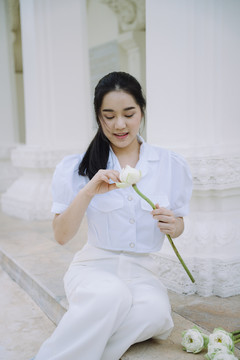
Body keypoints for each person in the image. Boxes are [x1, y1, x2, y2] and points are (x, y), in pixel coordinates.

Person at [34, 71, 192, 360]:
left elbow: (179, 223)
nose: (120, 124)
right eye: (109, 116)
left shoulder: (169, 164)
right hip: (94, 268)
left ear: (141, 112)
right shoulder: (77, 168)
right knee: (110, 295)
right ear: (98, 117)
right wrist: (88, 191)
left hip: (142, 272)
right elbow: (61, 236)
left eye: (129, 114)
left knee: (157, 315)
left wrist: (174, 225)